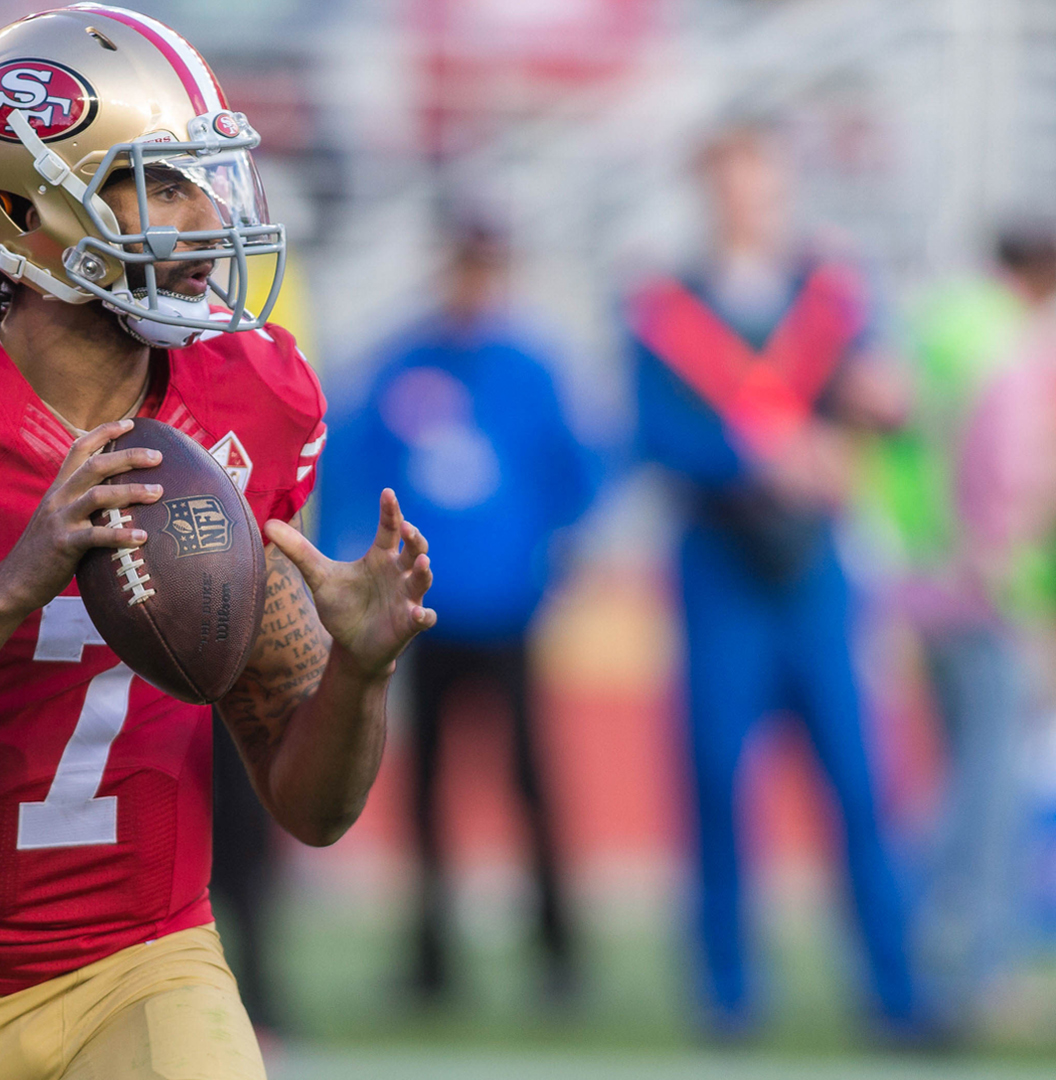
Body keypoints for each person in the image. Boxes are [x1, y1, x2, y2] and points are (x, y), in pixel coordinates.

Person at [0, 7, 437, 1079]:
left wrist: (361, 672)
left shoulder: (249, 397)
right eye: (162, 183)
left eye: (207, 180)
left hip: (147, 967)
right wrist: (6, 591)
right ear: (30, 213)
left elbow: (313, 808)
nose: (208, 218)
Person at [628, 121, 918, 1037]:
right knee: (717, 779)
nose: (750, 204)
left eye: (763, 185)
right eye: (733, 186)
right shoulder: (666, 306)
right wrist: (757, 456)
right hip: (719, 565)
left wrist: (881, 406)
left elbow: (883, 400)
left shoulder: (828, 294)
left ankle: (896, 991)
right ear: (708, 193)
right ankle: (728, 995)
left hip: (815, 571)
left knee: (859, 782)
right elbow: (653, 436)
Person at [321, 218, 597, 1009]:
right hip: (421, 614)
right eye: (464, 265)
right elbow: (352, 471)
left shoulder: (532, 368)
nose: (473, 282)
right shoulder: (401, 364)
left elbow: (579, 474)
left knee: (530, 782)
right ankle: (432, 957)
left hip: (509, 611)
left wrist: (553, 559)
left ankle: (557, 953)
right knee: (425, 788)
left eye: (485, 267)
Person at [878, 222, 1056, 1022]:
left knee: (963, 777)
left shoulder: (937, 327)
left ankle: (906, 920)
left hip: (925, 579)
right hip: (985, 588)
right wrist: (1009, 577)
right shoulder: (1003, 343)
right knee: (988, 787)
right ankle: (976, 961)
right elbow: (1008, 474)